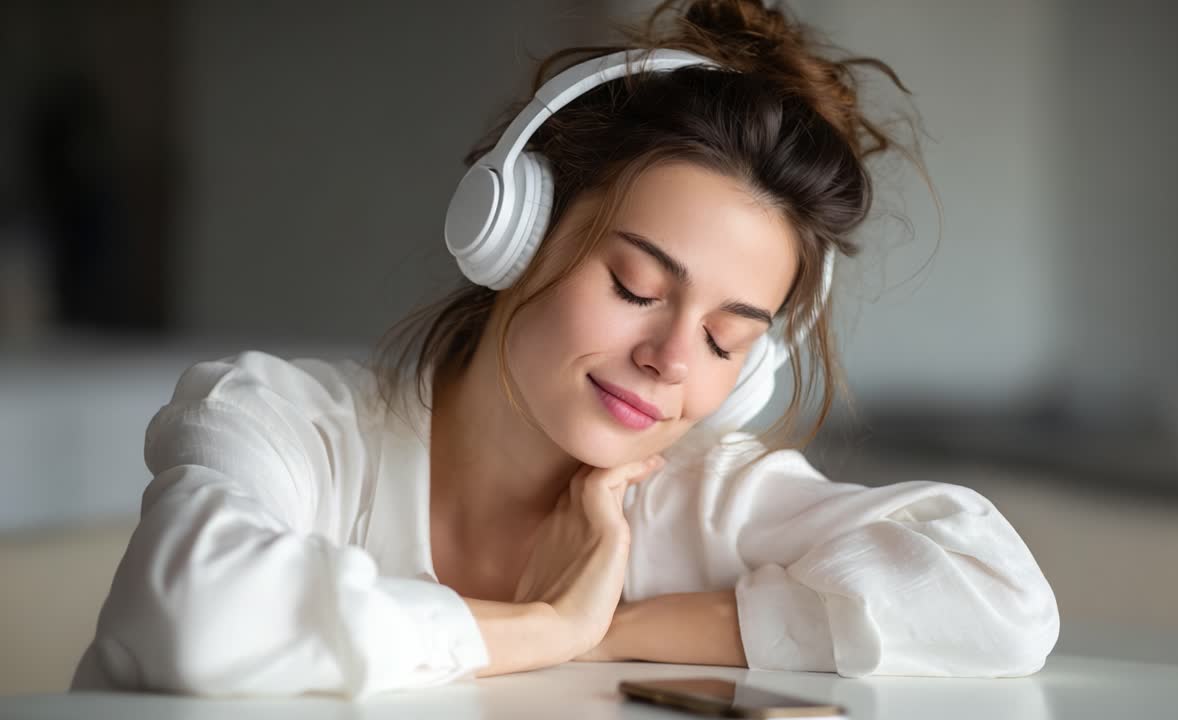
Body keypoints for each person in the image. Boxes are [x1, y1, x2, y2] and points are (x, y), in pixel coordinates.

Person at [70, 0, 1059, 700]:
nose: (672, 358)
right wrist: (543, 630)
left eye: (725, 338)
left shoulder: (691, 490)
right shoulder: (282, 421)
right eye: (635, 287)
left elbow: (995, 600)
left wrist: (611, 627)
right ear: (513, 231)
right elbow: (194, 618)